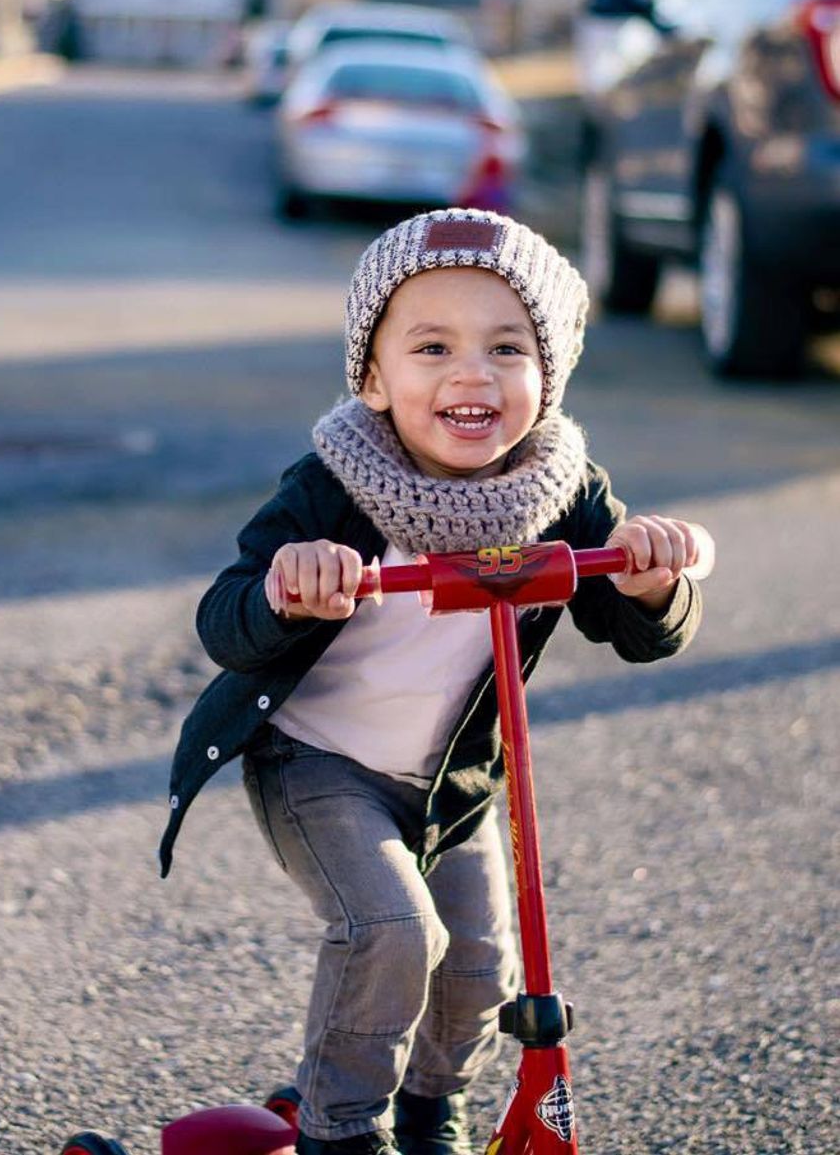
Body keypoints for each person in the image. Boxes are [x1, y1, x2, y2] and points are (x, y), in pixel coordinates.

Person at [158, 209, 704, 1155]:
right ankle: (341, 1128)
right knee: (391, 928)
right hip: (317, 761)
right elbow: (225, 619)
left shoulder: (562, 492)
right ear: (373, 378)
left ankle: (428, 1110)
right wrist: (288, 588)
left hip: (453, 781)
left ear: (549, 375)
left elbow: (632, 628)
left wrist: (651, 581)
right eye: (433, 347)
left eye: (507, 347)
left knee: (482, 965)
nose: (472, 374)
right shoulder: (331, 485)